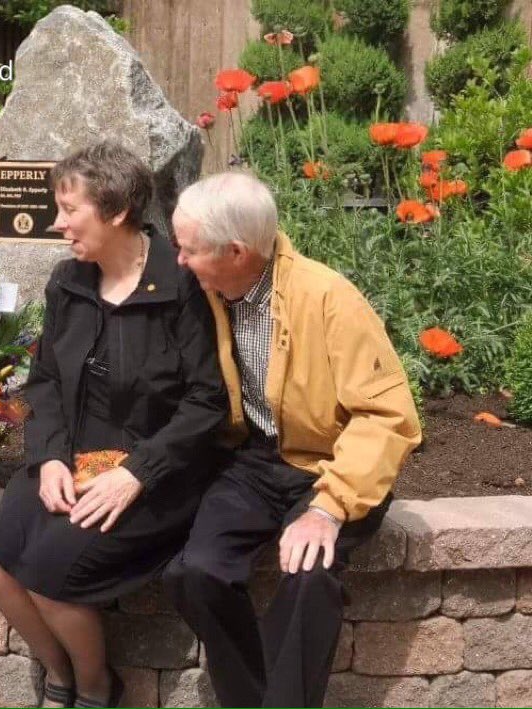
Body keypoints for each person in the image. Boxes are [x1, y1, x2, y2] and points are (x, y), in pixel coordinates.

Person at [0, 141, 228, 708]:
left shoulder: (180, 285)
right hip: (74, 460)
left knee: (49, 573)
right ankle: (59, 678)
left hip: (153, 472)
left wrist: (139, 472)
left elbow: (207, 401)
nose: (59, 223)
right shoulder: (69, 280)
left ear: (115, 212)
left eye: (71, 210)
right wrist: (46, 460)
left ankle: (97, 688)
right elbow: (43, 381)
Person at [162, 171, 422, 707]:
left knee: (309, 579)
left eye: (188, 249)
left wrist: (328, 509)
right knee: (194, 572)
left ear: (235, 251)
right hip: (257, 461)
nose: (179, 259)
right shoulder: (206, 290)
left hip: (333, 465)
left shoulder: (328, 298)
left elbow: (386, 416)